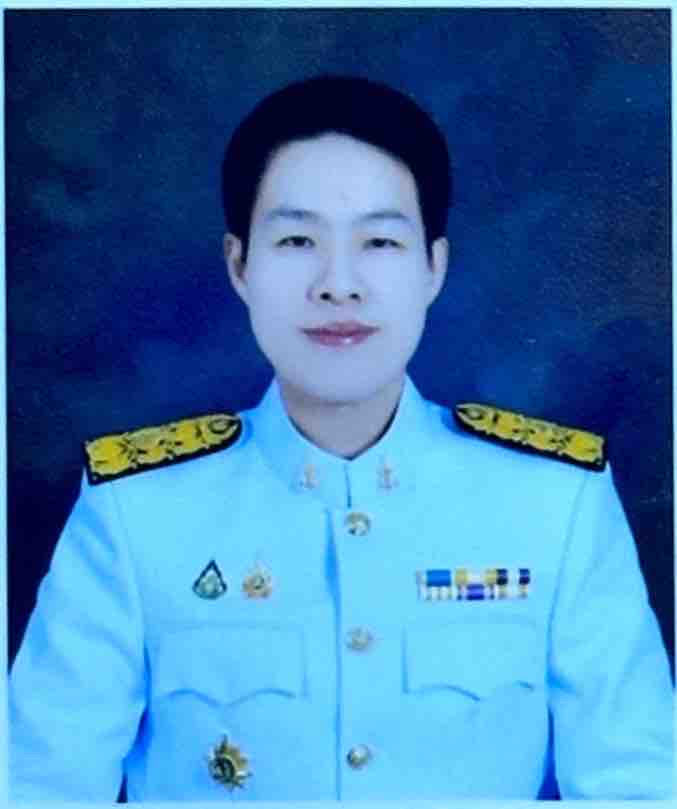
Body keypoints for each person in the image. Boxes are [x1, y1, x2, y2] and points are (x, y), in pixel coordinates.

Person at [9, 75, 673, 801]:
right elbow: (40, 785)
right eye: (297, 240)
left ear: (433, 267)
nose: (338, 284)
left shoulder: (554, 503)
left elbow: (635, 785)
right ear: (239, 265)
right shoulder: (137, 512)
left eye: (379, 241)